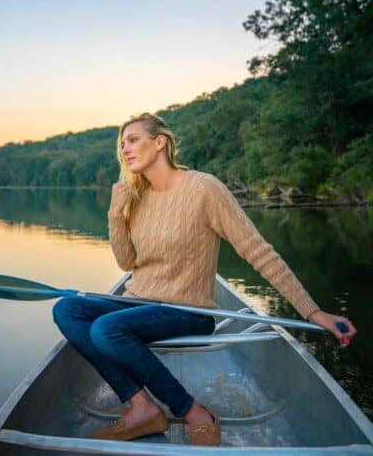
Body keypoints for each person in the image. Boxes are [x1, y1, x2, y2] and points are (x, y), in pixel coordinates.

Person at [52, 112, 357, 446]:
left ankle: (194, 412)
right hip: (136, 302)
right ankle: (141, 406)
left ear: (160, 142)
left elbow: (259, 252)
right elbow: (127, 262)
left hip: (188, 310)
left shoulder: (204, 188)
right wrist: (115, 213)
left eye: (133, 139)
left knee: (106, 329)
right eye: (122, 143)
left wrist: (312, 311)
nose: (125, 148)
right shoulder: (137, 197)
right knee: (67, 309)